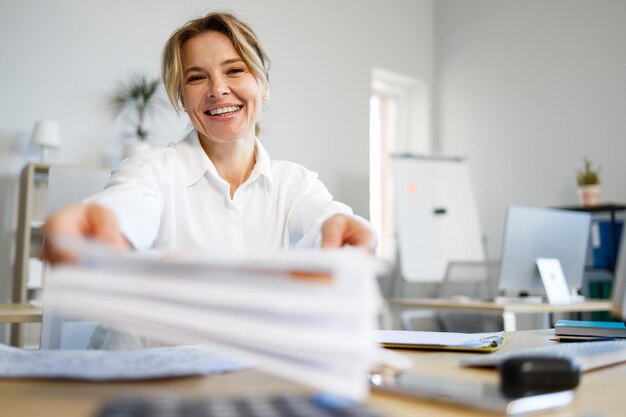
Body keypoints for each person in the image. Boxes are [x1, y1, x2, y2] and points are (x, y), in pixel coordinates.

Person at [41, 11, 375, 264]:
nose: (217, 89)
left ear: (264, 85)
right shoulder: (150, 171)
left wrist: (345, 227)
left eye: (234, 70)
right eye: (197, 78)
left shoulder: (295, 185)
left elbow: (326, 218)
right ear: (182, 99)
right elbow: (129, 204)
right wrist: (108, 224)